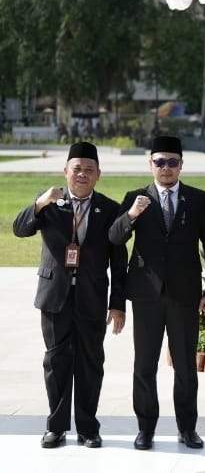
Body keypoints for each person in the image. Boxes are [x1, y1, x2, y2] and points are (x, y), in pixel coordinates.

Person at [108, 135, 205, 450]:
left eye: (173, 162)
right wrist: (131, 215)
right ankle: (145, 429)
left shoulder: (199, 199)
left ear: (181, 165)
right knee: (144, 365)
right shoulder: (135, 197)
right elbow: (115, 240)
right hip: (146, 296)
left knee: (185, 366)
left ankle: (187, 429)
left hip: (185, 296)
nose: (166, 168)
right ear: (151, 164)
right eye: (160, 162)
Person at [13, 142, 127, 449]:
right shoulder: (50, 203)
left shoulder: (110, 209)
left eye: (89, 170)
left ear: (98, 175)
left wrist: (117, 306)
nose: (82, 175)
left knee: (91, 363)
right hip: (54, 297)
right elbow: (19, 228)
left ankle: (88, 428)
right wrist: (40, 201)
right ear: (66, 171)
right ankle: (56, 427)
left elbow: (119, 262)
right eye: (76, 168)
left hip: (92, 297)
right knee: (56, 362)